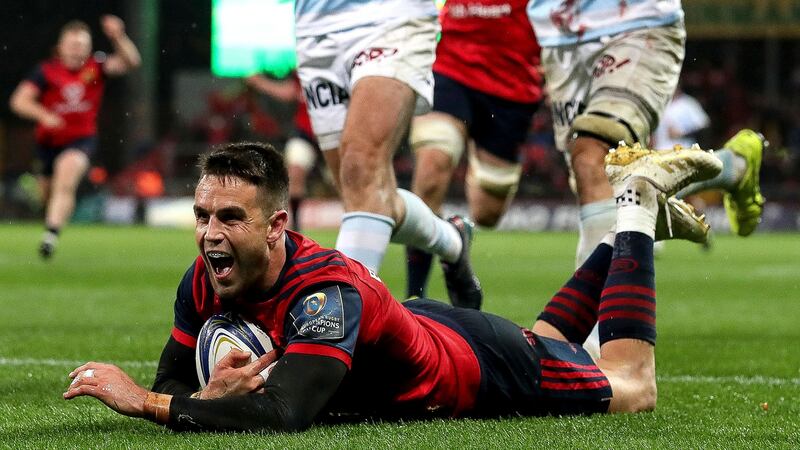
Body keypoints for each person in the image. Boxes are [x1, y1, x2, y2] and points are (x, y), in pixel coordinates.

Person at [64, 141, 721, 431]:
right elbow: (179, 380)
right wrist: (200, 396)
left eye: (231, 217)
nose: (210, 233)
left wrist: (147, 404)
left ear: (276, 226)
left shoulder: (322, 294)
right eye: (204, 214)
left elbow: (284, 413)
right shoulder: (209, 278)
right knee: (550, 341)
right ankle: (634, 236)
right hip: (433, 328)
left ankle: (634, 204)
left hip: (481, 369)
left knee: (631, 388)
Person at [525, 0, 766, 267]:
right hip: (558, 35)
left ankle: (597, 305)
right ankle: (730, 166)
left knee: (594, 157)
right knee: (591, 179)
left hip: (635, 22)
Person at [292, 0, 482, 307]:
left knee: (360, 168)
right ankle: (453, 240)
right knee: (365, 198)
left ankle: (343, 322)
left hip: (390, 17)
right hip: (316, 28)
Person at [404, 0, 543, 303]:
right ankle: (415, 298)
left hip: (512, 83)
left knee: (487, 213)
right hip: (451, 69)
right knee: (431, 171)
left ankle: (455, 238)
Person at [9, 16, 141, 259]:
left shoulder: (95, 67)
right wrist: (44, 114)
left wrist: (118, 37)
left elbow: (131, 62)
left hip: (81, 140)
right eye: (72, 45)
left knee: (66, 177)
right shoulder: (46, 72)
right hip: (47, 143)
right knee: (47, 195)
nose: (76, 50)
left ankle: (50, 236)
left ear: (89, 48)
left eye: (81, 45)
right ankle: (51, 219)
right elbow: (18, 101)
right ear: (60, 47)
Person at [245, 72, 323, 231]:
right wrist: (260, 82)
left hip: (336, 133)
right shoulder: (304, 69)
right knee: (294, 171)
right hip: (306, 132)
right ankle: (295, 225)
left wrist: (259, 82)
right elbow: (290, 91)